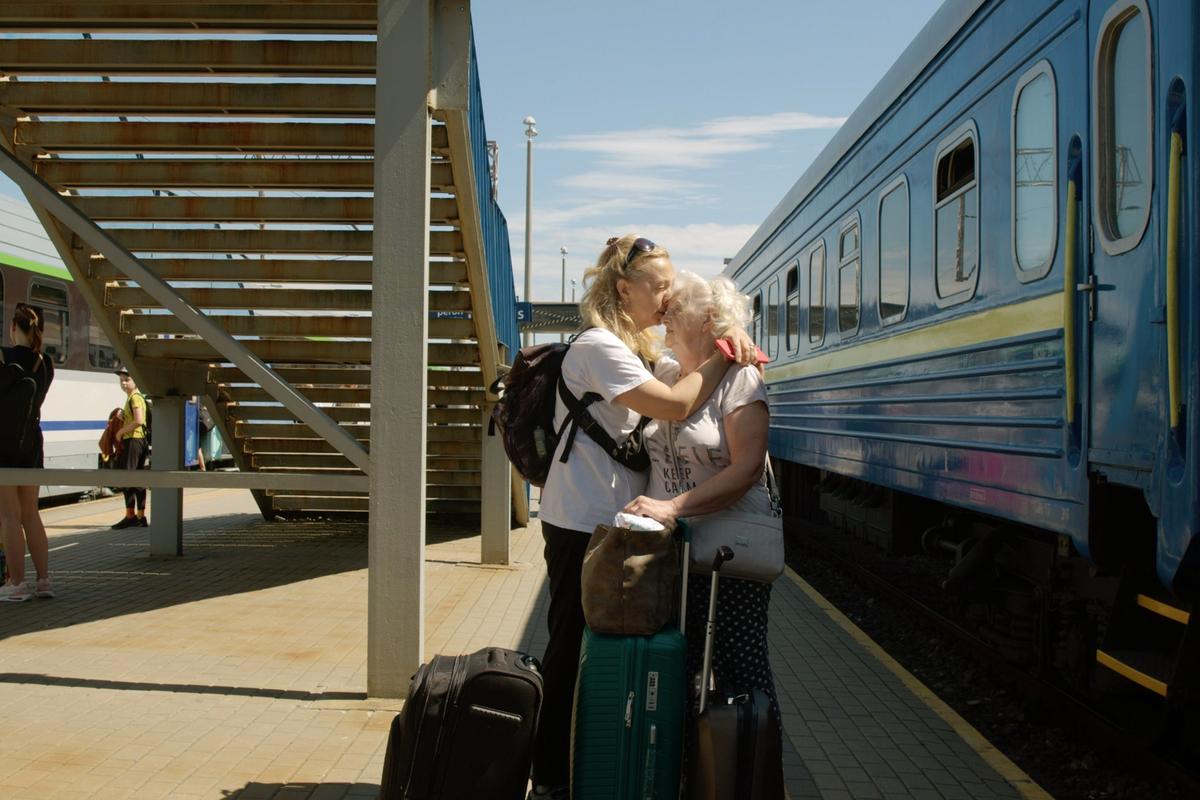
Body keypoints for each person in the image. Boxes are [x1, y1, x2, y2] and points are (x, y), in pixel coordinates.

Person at [529, 236, 756, 800]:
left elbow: (685, 367)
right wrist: (727, 356)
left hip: (619, 522)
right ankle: (551, 776)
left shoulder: (632, 350)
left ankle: (605, 763)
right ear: (623, 289)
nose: (666, 297)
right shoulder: (599, 347)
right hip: (581, 520)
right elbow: (678, 403)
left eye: (670, 287)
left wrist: (734, 335)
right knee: (569, 642)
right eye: (658, 287)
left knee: (611, 647)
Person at [623, 271, 784, 795]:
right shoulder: (669, 371)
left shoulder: (743, 380)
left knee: (740, 677)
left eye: (675, 307)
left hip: (729, 562)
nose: (664, 313)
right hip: (675, 559)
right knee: (677, 680)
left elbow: (747, 468)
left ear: (709, 320)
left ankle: (755, 785)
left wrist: (674, 507)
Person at [0, 303, 56, 602]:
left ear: (12, 328)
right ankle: (44, 580)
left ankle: (17, 584)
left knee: (9, 516)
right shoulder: (45, 363)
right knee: (31, 514)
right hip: (33, 443)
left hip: (3, 445)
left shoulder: (3, 357)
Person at [112, 367, 149, 529]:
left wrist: (120, 432)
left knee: (128, 479)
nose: (124, 383)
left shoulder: (134, 398)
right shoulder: (135, 397)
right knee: (138, 479)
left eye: (127, 380)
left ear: (136, 381)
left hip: (133, 440)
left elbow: (139, 420)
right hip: (139, 441)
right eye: (121, 381)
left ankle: (131, 516)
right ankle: (140, 516)